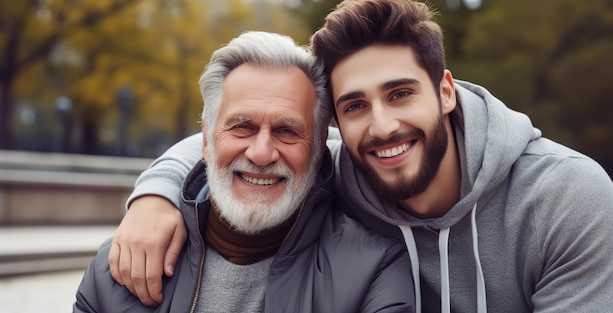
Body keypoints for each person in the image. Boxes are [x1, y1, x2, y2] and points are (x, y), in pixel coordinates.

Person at [108, 0, 613, 312]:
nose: (382, 127)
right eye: (356, 106)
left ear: (445, 91)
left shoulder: (564, 197)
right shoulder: (342, 171)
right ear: (336, 121)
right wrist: (155, 195)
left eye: (400, 93)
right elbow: (243, 140)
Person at [73, 31, 415, 313]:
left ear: (317, 149)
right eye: (242, 127)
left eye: (287, 131)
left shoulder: (375, 271)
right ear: (205, 141)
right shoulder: (118, 268)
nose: (262, 154)